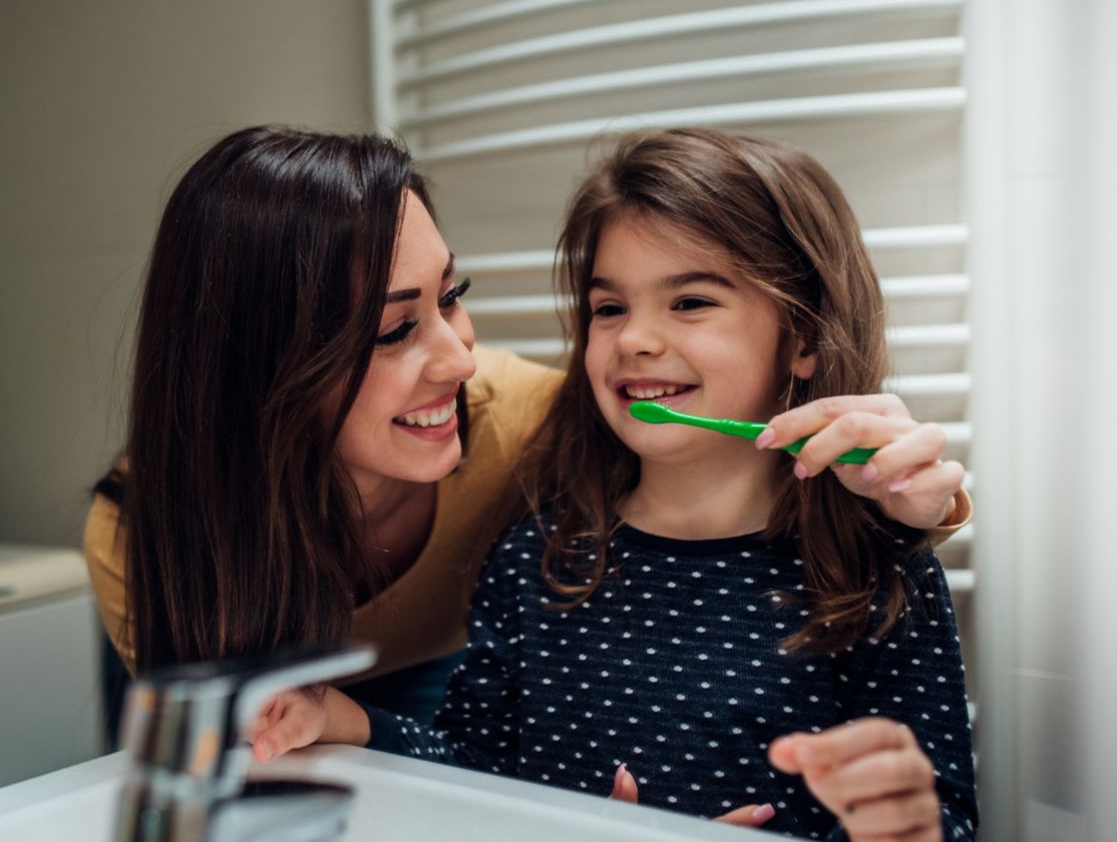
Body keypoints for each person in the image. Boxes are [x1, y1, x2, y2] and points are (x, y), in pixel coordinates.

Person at [85, 125, 972, 724]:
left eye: (451, 298)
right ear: (266, 368)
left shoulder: (537, 424)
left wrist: (918, 504)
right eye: (396, 329)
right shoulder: (144, 535)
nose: (460, 359)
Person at [248, 129, 976, 842]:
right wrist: (351, 722)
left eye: (689, 301)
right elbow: (472, 773)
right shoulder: (533, 559)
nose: (634, 338)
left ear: (804, 338)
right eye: (608, 308)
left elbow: (936, 818)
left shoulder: (873, 576)